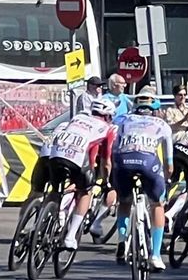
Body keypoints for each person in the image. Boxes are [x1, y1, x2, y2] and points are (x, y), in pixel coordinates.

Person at [112, 90, 174, 270]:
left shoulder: (121, 120)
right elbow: (169, 164)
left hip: (122, 162)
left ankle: (122, 241)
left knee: (124, 202)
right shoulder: (162, 125)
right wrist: (166, 181)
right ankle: (155, 255)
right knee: (157, 205)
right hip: (148, 163)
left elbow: (112, 146)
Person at [48, 96, 117, 251]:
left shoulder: (77, 117)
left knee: (55, 190)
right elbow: (105, 160)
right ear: (108, 116)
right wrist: (106, 182)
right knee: (84, 193)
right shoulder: (108, 128)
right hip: (77, 159)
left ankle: (47, 216)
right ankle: (70, 236)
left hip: (56, 155)